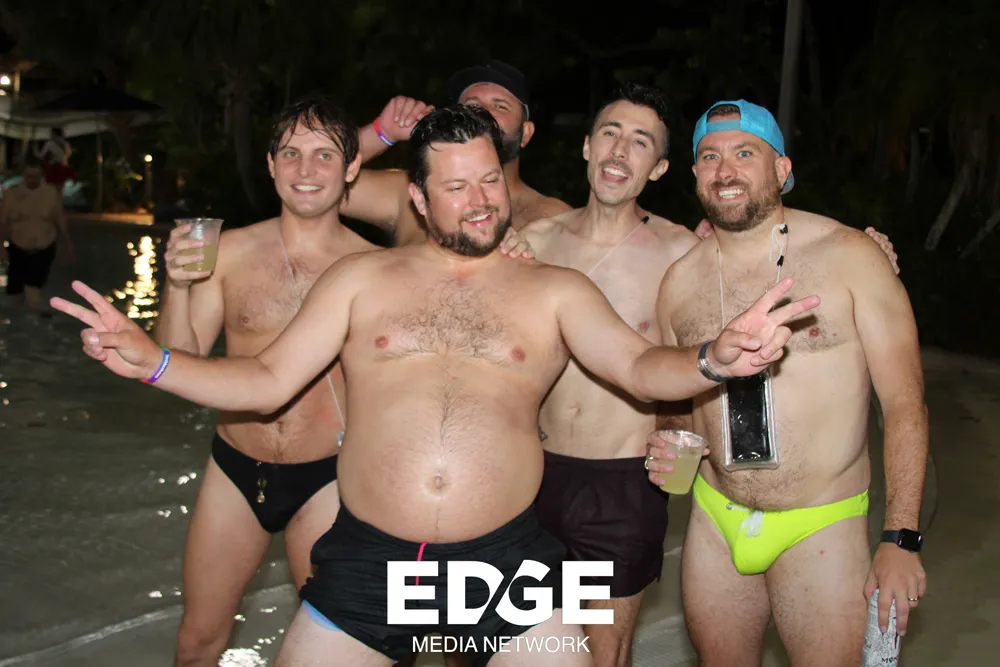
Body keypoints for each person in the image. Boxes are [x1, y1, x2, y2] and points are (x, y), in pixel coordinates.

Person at [53, 105, 819, 667]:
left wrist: (713, 358)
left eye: (489, 180)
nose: (481, 199)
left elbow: (640, 367)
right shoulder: (361, 279)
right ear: (418, 199)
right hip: (371, 558)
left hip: (503, 562)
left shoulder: (553, 289)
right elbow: (263, 380)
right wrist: (152, 361)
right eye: (456, 186)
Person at [152, 96, 533, 667]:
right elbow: (179, 363)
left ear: (352, 168)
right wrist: (178, 286)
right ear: (270, 165)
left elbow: (460, 279)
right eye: (291, 154)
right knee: (197, 641)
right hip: (235, 466)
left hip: (328, 478)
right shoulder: (225, 253)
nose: (306, 169)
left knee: (366, 644)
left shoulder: (377, 268)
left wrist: (508, 248)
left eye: (326, 155)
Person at [645, 100, 928, 667]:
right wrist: (672, 436)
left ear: (781, 169)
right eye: (709, 156)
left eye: (744, 153)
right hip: (715, 517)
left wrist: (900, 538)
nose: (725, 169)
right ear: (695, 174)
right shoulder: (678, 282)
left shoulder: (851, 257)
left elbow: (904, 403)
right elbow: (678, 393)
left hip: (821, 523)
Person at [521, 83, 699, 667]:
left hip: (621, 484)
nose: (621, 151)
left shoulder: (680, 253)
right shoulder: (532, 245)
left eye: (641, 142)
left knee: (604, 654)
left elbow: (706, 358)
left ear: (659, 168)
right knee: (527, 650)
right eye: (610, 133)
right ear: (587, 146)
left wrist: (871, 247)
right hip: (530, 476)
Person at [341, 59, 571, 246]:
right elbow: (322, 180)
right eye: (471, 105)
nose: (482, 112)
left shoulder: (555, 218)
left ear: (526, 133)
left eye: (500, 105)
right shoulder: (408, 192)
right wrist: (382, 133)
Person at [0, 158, 74, 313]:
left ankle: (36, 307)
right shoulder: (11, 194)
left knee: (33, 283)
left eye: (36, 177)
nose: (32, 180)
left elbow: (60, 217)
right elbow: (3, 222)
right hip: (18, 246)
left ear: (42, 175)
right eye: (29, 177)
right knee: (15, 292)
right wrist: (1, 246)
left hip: (44, 245)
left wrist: (68, 242)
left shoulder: (51, 193)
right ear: (23, 175)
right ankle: (26, 310)